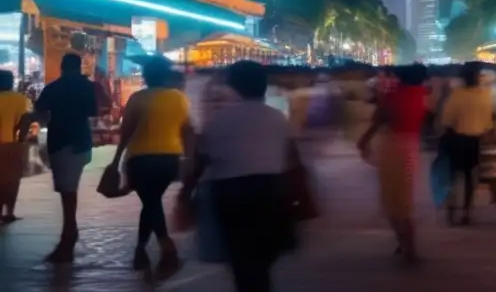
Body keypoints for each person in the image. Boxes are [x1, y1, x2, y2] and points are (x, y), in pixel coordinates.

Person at [181, 60, 300, 292]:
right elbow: (293, 158)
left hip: (230, 194)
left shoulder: (219, 119)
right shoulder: (277, 117)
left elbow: (201, 159)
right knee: (263, 256)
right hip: (271, 192)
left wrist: (186, 193)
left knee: (241, 256)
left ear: (233, 86)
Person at [112, 58, 193, 276]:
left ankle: (167, 248)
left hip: (141, 160)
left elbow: (126, 132)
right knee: (151, 203)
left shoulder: (138, 98)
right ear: (166, 76)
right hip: (170, 160)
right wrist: (190, 158)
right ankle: (140, 251)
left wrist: (116, 158)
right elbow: (187, 130)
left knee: (151, 202)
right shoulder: (180, 99)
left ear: (146, 77)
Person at [358, 63, 427, 262]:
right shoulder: (421, 94)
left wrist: (364, 140)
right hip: (411, 146)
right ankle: (407, 246)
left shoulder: (396, 95)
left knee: (393, 200)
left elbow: (379, 119)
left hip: (393, 148)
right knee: (403, 199)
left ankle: (406, 246)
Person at [33, 53, 99, 262]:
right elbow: (94, 111)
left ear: (62, 67)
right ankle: (70, 233)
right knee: (68, 190)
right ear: (79, 67)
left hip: (61, 142)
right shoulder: (88, 86)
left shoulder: (54, 87)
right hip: (82, 142)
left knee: (67, 192)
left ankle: (68, 238)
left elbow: (40, 111)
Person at [440, 63, 493, 225]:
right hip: (474, 142)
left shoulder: (457, 95)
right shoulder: (485, 95)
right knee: (470, 179)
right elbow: (487, 123)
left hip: (456, 140)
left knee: (452, 177)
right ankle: (466, 213)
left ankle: (451, 211)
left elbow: (447, 120)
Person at [0, 70, 31, 223]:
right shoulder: (20, 99)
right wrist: (21, 140)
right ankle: (9, 212)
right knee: (12, 180)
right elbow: (25, 121)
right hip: (12, 145)